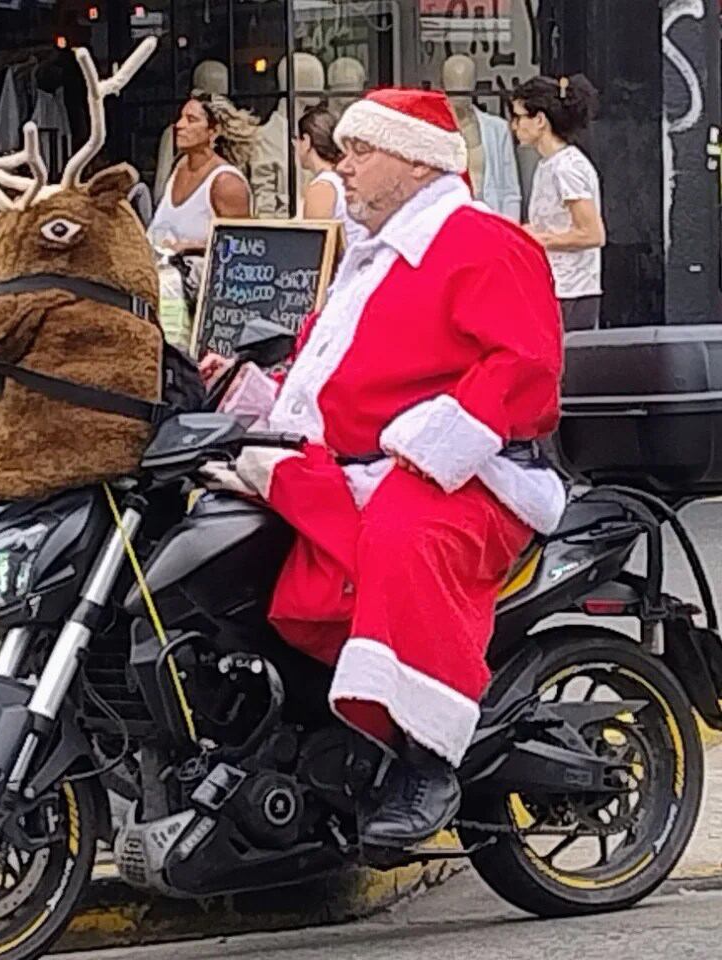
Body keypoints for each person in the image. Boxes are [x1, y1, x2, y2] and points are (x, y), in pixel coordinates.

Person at [201, 88, 566, 849]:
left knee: (403, 536)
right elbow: (326, 381)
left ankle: (425, 757)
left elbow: (524, 366)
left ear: (415, 161)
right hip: (356, 462)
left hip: (472, 475)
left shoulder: (484, 242)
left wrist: (435, 444)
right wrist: (248, 394)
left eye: (362, 152)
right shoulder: (368, 255)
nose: (345, 166)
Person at [511, 75, 605, 332]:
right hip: (555, 286)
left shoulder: (567, 167)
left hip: (572, 291)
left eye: (519, 117)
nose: (514, 126)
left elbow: (592, 233)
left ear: (540, 120)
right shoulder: (548, 165)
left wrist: (536, 239)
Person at [148, 91, 259, 254]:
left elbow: (242, 245)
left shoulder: (226, 182)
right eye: (181, 117)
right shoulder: (180, 165)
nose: (179, 125)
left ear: (213, 131)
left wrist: (190, 248)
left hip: (194, 276)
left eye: (191, 120)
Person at [296, 104, 365, 249]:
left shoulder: (323, 187)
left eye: (298, 140)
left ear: (307, 141)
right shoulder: (346, 178)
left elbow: (315, 246)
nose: (295, 146)